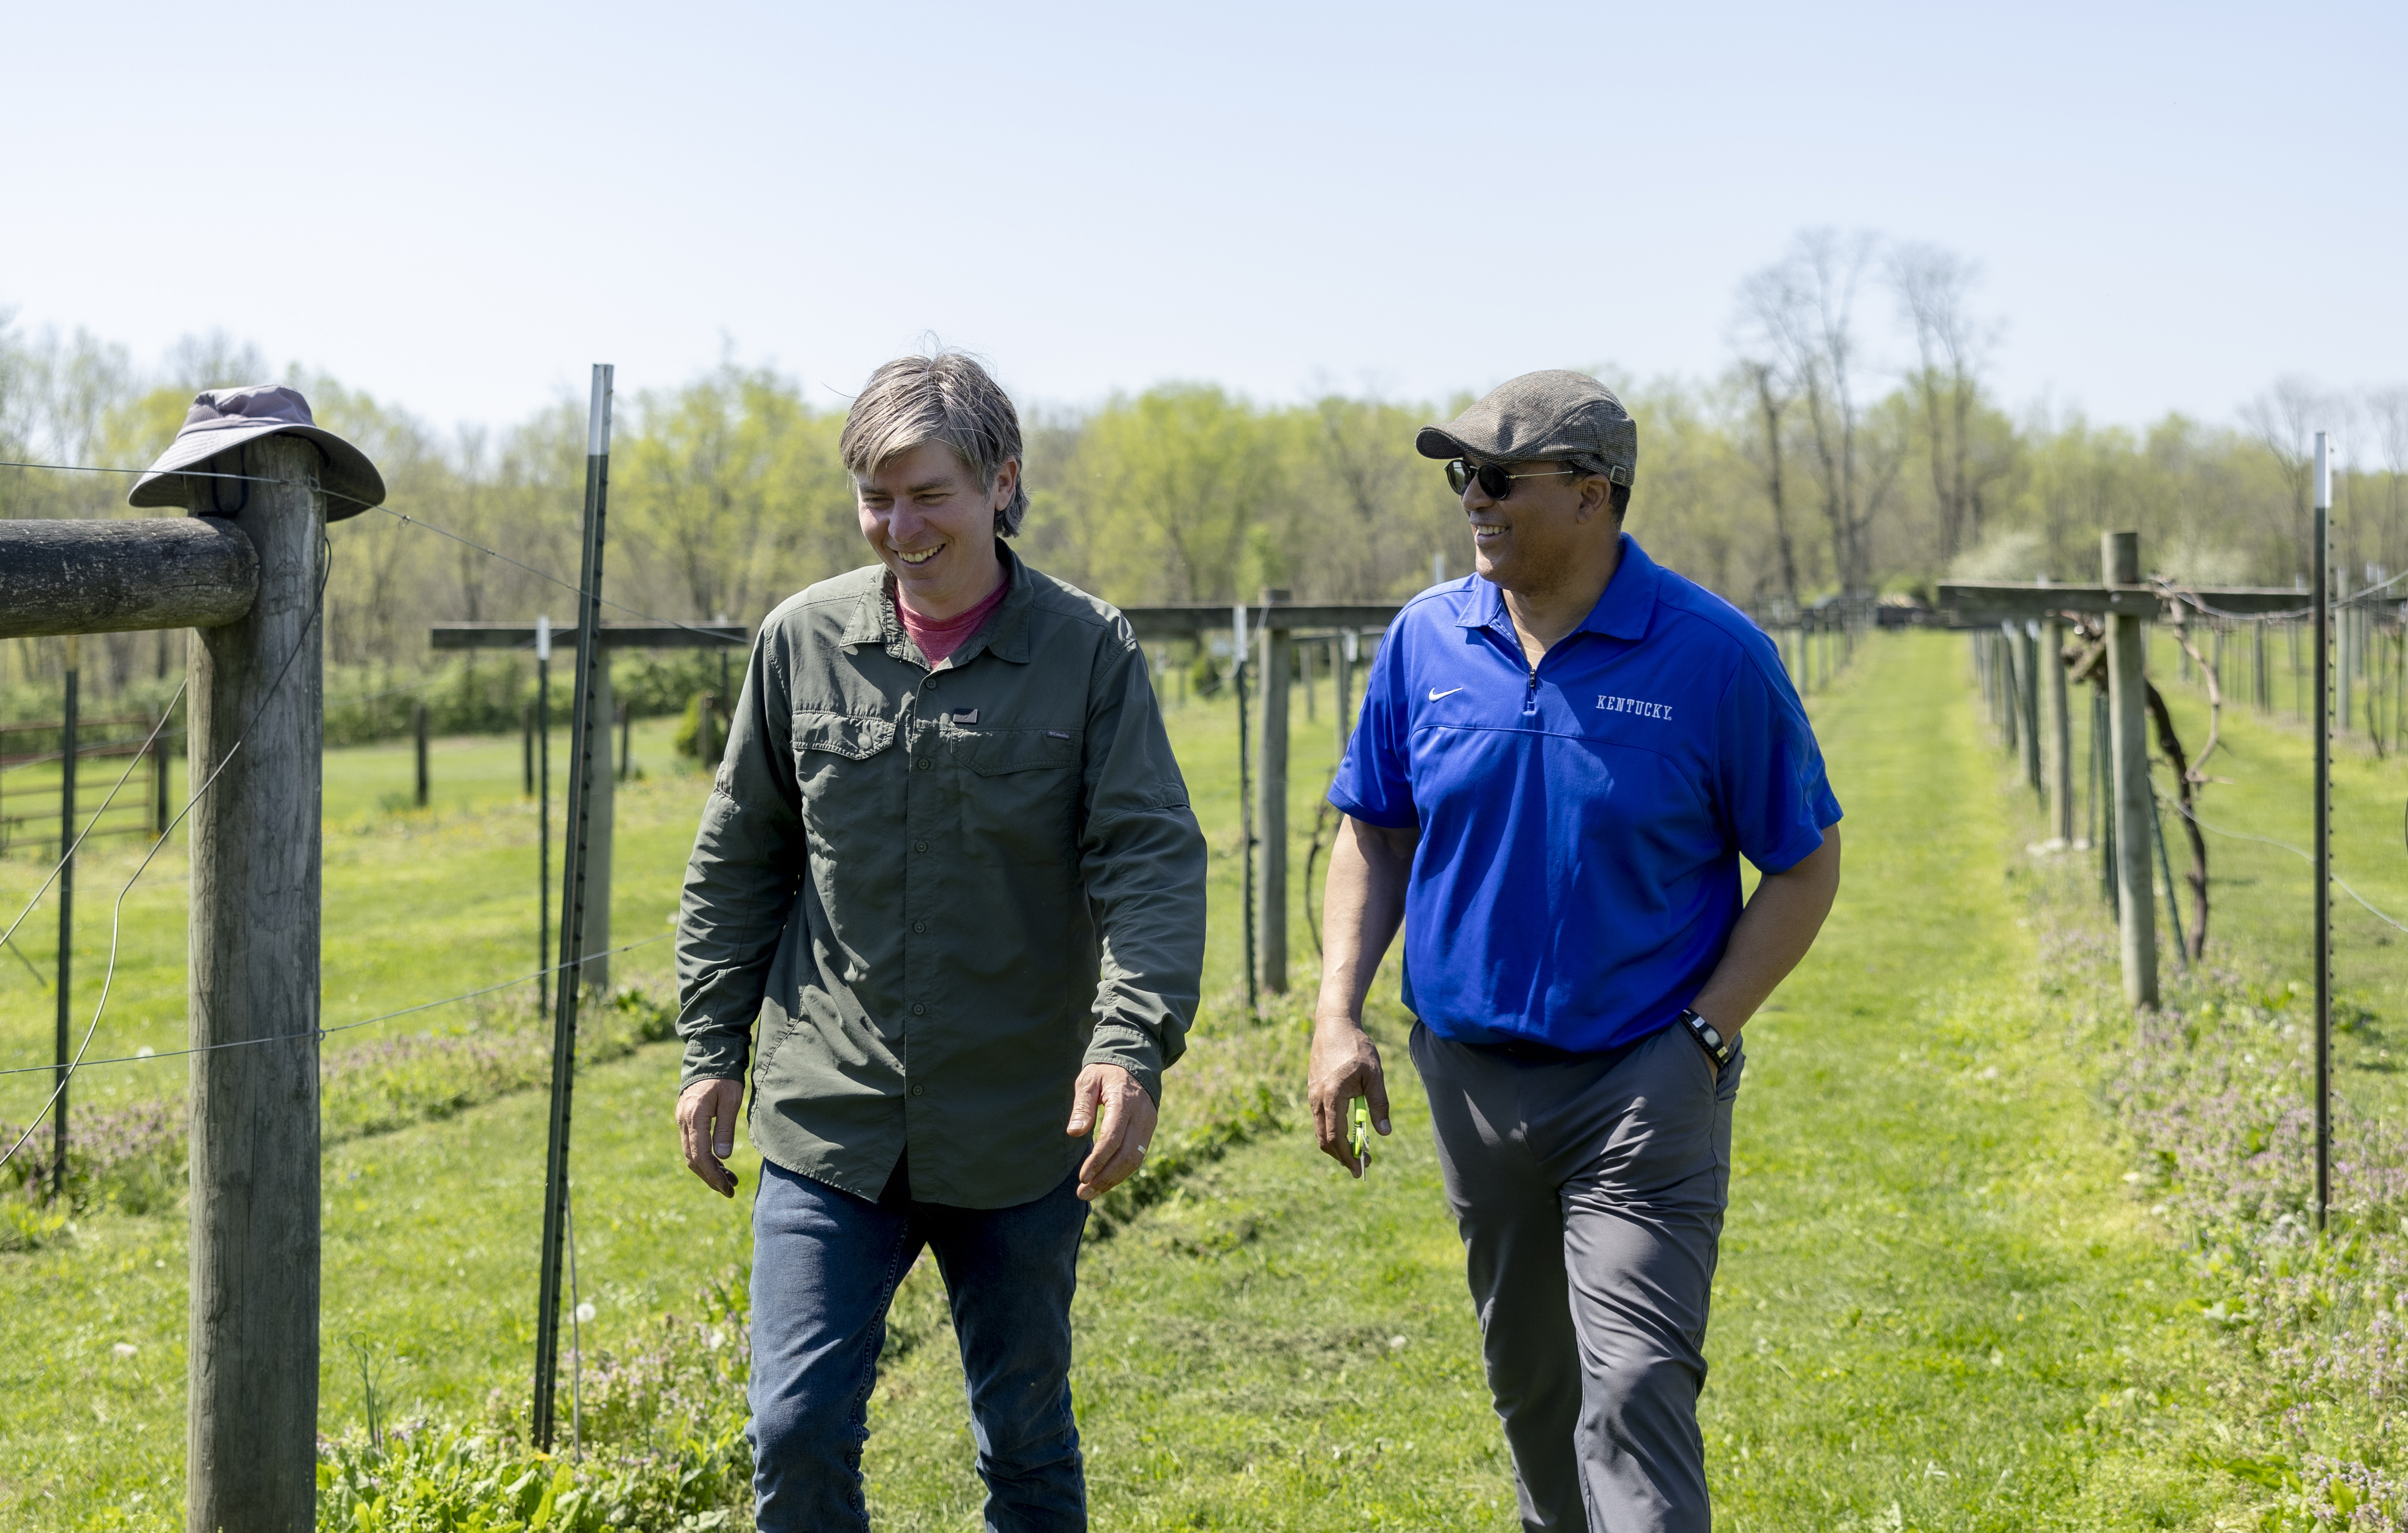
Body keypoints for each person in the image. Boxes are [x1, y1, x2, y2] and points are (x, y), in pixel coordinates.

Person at [671, 350, 1206, 1532]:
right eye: (875, 495)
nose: (898, 525)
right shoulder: (801, 642)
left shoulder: (1086, 650)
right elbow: (739, 856)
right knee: (794, 1428)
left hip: (1020, 1122)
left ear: (1002, 482)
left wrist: (1129, 1045)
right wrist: (712, 1044)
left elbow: (1148, 857)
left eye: (930, 493)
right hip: (832, 1113)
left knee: (1022, 1439)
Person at [1304, 370, 1843, 1532]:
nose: (1473, 500)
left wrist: (1701, 1035)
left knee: (1638, 1388)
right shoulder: (1425, 641)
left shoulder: (1712, 656)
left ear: (1594, 493)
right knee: (1533, 1387)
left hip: (1641, 1080)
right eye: (1462, 477)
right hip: (1470, 1082)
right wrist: (1335, 1013)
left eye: (1499, 476)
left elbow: (1803, 862)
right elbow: (1374, 831)